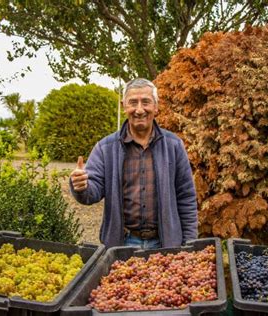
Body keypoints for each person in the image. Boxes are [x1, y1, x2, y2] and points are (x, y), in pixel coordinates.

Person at [69, 78, 197, 249]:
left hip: (165, 244)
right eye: (133, 102)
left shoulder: (173, 146)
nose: (139, 109)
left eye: (145, 102)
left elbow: (186, 197)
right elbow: (92, 193)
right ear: (124, 106)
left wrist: (189, 244)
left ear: (156, 107)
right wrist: (81, 186)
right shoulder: (105, 148)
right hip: (123, 244)